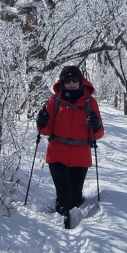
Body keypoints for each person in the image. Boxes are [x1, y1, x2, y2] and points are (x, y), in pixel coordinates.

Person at [35, 65, 105, 228]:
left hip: (80, 157)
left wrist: (96, 125)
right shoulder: (55, 101)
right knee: (64, 195)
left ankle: (74, 223)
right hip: (57, 155)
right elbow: (45, 130)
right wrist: (41, 121)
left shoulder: (90, 102)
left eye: (75, 80)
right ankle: (61, 226)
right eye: (68, 80)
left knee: (75, 196)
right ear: (62, 82)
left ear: (81, 82)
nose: (71, 83)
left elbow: (98, 134)